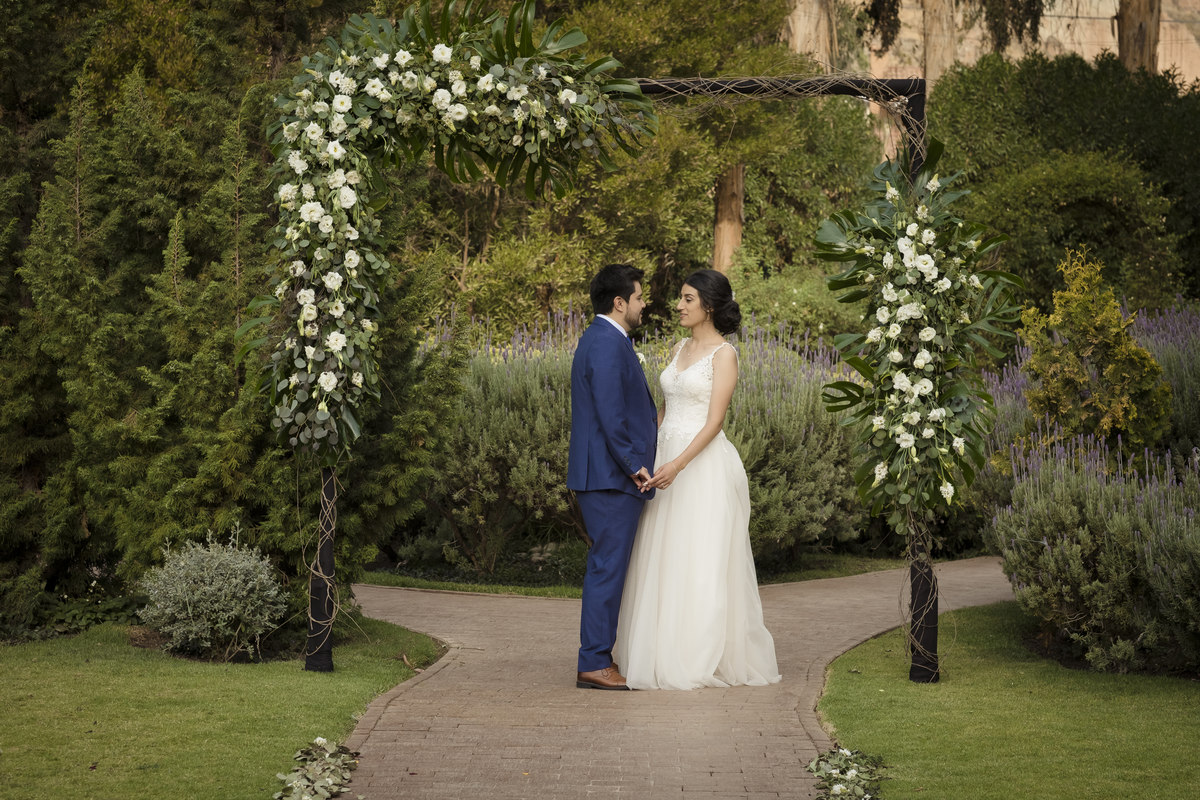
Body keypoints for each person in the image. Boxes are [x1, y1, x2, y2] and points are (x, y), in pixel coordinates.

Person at [614, 269, 781, 690]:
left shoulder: (724, 355)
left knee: (699, 558)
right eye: (680, 298)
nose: (679, 305)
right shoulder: (677, 348)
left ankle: (694, 655)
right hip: (665, 459)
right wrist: (648, 459)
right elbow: (665, 410)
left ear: (708, 305)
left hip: (700, 465)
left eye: (688, 299)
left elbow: (714, 422)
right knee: (662, 554)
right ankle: (655, 647)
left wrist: (679, 465)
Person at [567, 263, 659, 690]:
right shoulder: (605, 342)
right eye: (639, 297)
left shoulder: (604, 338)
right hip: (609, 477)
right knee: (607, 568)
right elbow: (609, 412)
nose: (644, 304)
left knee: (607, 566)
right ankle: (594, 661)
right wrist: (633, 465)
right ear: (620, 302)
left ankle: (598, 656)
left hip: (605, 474)